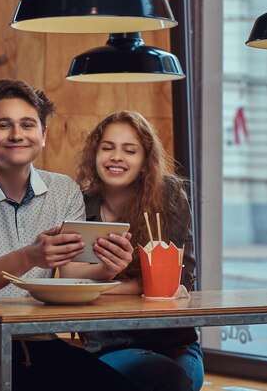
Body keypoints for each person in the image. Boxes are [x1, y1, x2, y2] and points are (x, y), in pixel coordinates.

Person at [0, 80, 139, 391]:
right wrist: (31, 256)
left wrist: (107, 267)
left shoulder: (63, 190)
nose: (16, 134)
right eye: (3, 125)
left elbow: (72, 274)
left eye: (27, 124)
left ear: (43, 135)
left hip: (39, 341)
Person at [73, 110, 204, 391]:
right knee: (164, 378)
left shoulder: (168, 196)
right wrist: (142, 285)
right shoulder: (79, 204)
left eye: (130, 150)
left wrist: (102, 284)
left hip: (174, 344)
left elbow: (182, 280)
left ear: (145, 162)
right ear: (94, 154)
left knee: (174, 378)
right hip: (108, 345)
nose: (116, 156)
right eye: (107, 148)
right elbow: (72, 284)